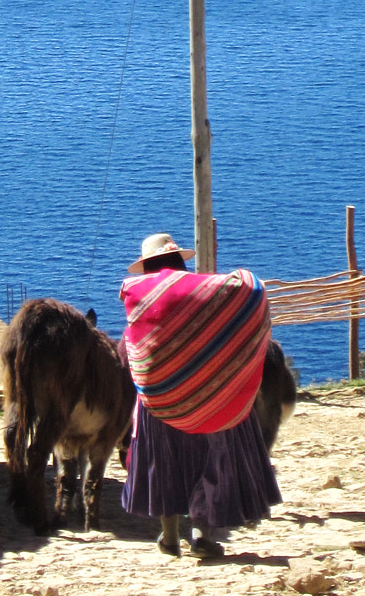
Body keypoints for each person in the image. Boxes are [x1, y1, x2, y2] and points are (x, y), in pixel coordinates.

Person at [119, 231, 282, 558]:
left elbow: (129, 354)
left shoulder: (142, 299)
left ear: (149, 268)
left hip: (160, 404)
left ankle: (168, 538)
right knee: (209, 463)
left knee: (163, 465)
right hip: (211, 400)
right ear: (179, 261)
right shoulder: (210, 296)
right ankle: (202, 537)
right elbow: (250, 288)